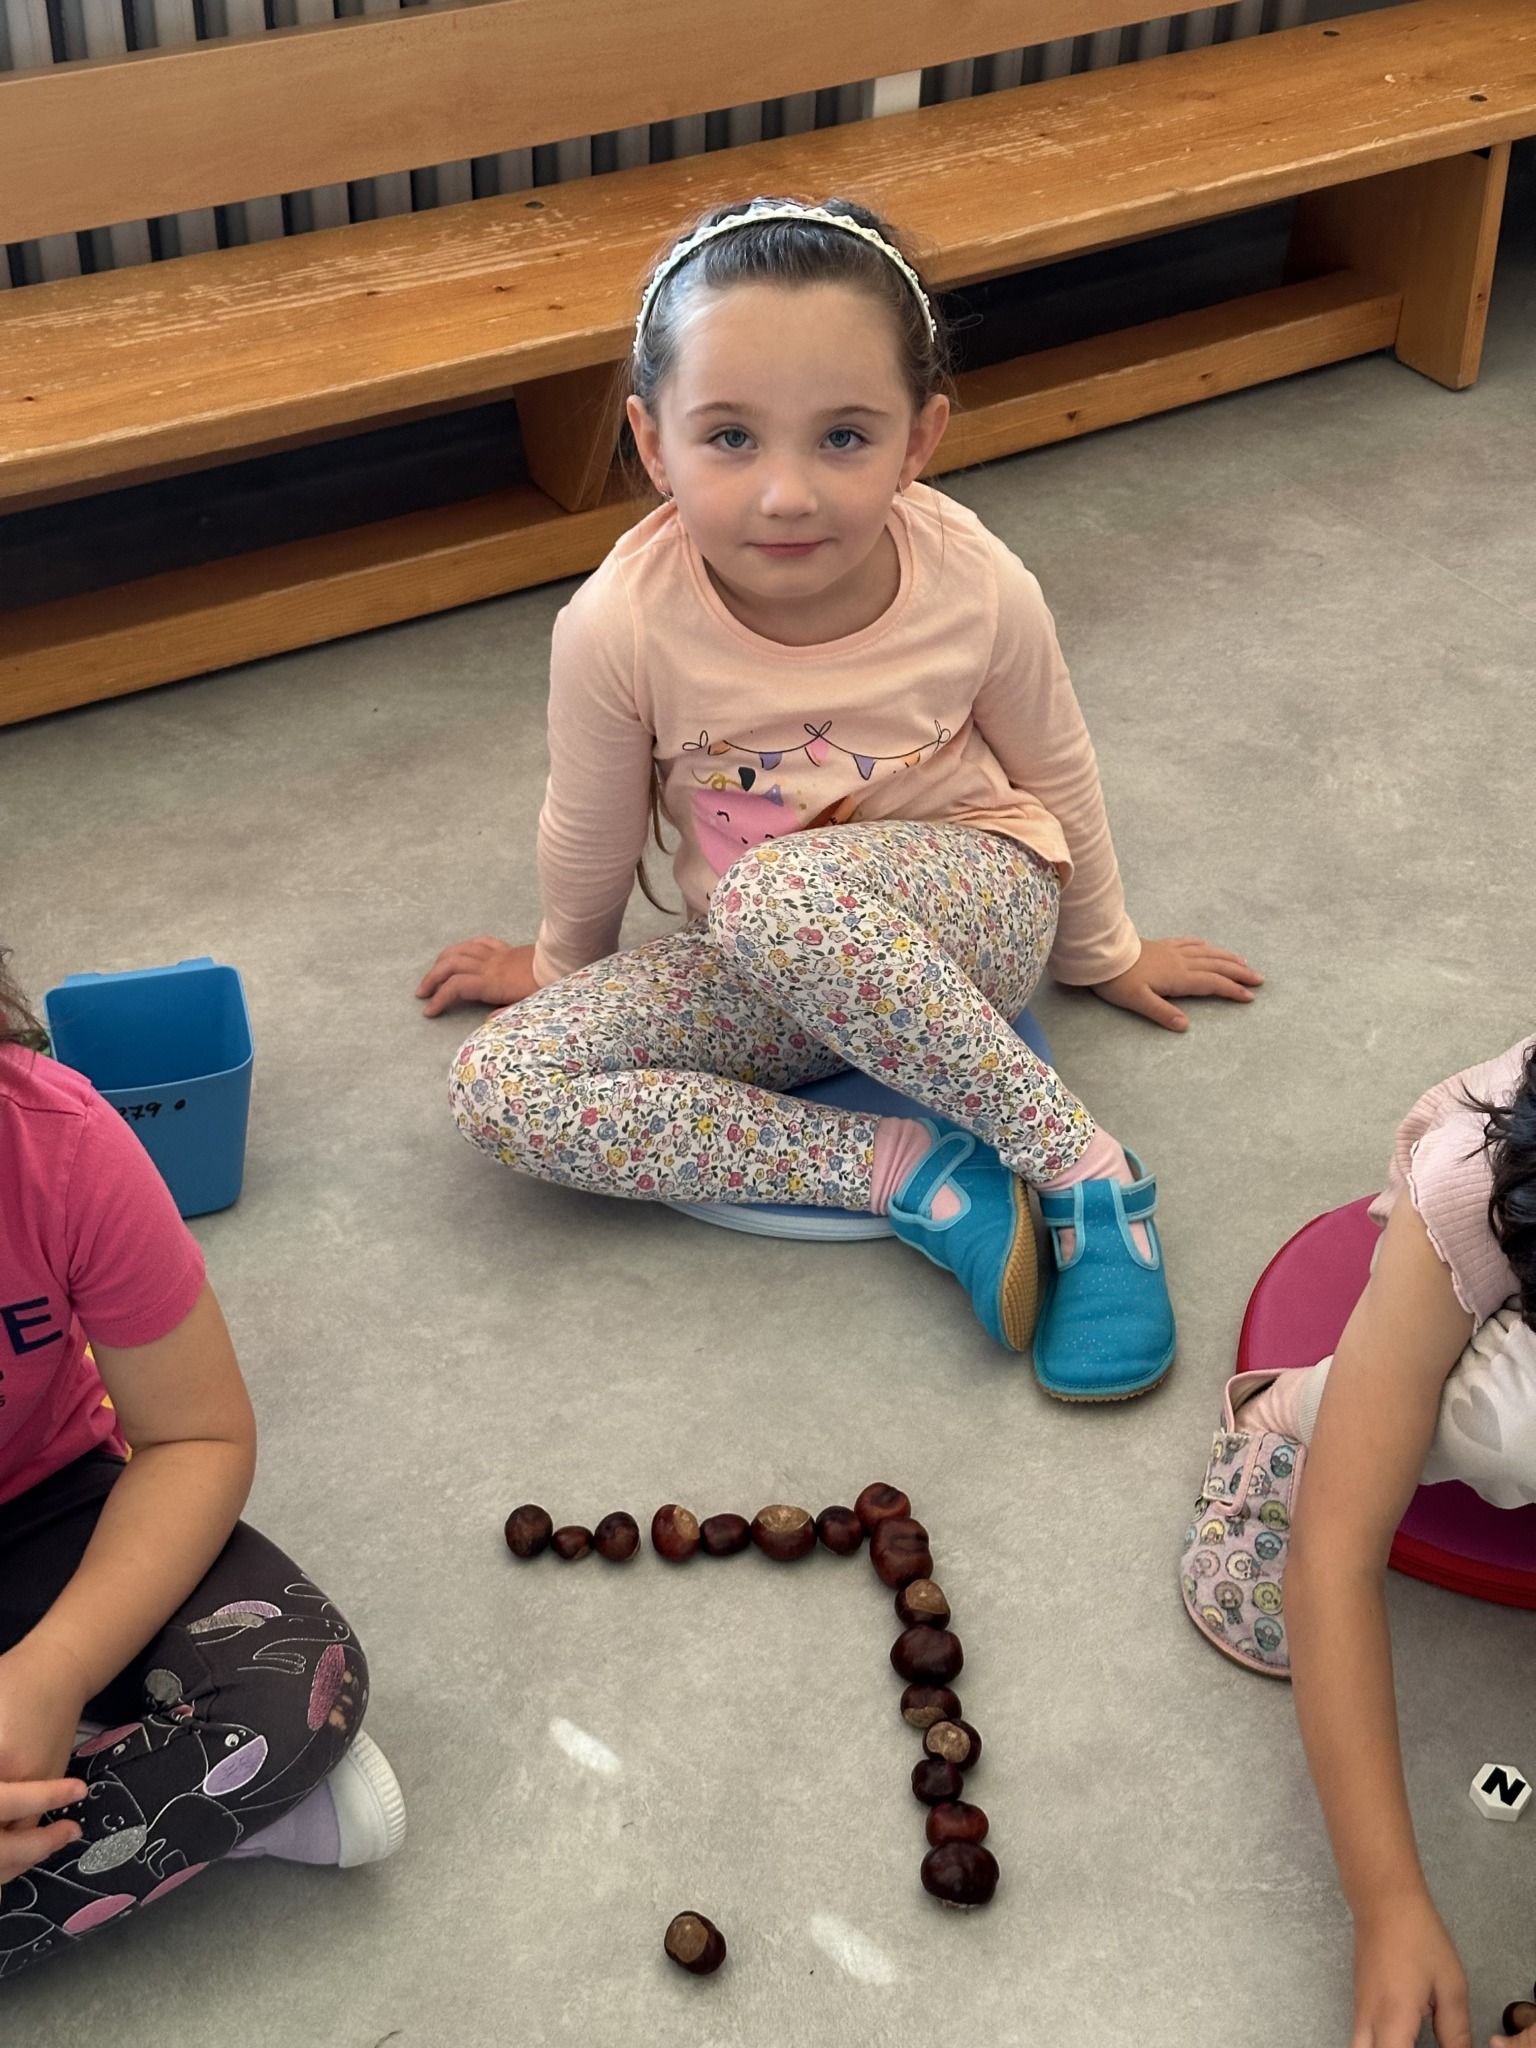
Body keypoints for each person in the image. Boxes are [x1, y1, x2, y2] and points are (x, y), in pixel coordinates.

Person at [419, 195, 1261, 1398]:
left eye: (845, 437)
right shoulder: (616, 622)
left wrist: (1104, 949)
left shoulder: (978, 582)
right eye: (730, 437)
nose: (787, 494)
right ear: (652, 443)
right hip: (768, 958)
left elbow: (1058, 765)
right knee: (499, 1085)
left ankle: (1087, 1176)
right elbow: (589, 818)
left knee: (768, 895)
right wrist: (558, 962)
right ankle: (920, 1176)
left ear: (920, 438)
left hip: (972, 909)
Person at [0, 949, 404, 1979]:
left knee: (293, 1681)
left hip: (41, 1505)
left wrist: (54, 1669)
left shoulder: (56, 1142)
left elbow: (194, 1436)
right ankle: (203, 1819)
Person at [1180, 1035, 1536, 2047]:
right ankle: (1292, 1409)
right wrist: (1388, 1902)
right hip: (1481, 1269)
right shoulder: (1475, 1187)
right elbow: (1334, 1556)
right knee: (1510, 1422)